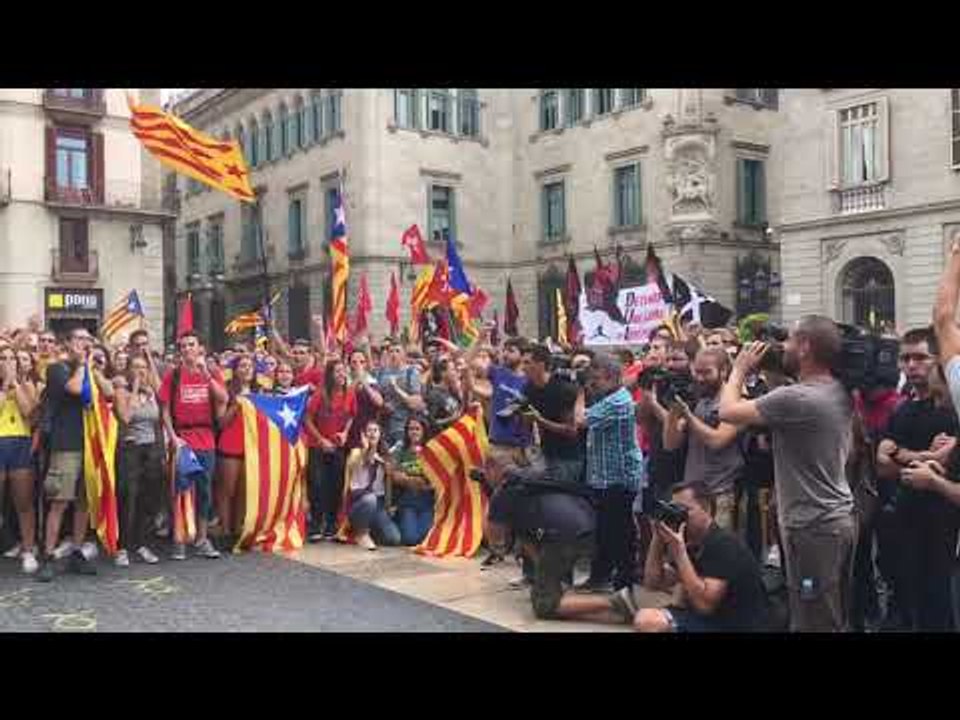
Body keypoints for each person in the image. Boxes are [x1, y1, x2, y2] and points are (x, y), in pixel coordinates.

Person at [719, 315, 856, 632]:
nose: (783, 347)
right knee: (826, 611)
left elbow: (727, 411)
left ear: (806, 347)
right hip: (832, 522)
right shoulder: (834, 389)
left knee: (814, 618)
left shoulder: (796, 399)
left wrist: (738, 369)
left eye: (789, 340)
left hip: (812, 529)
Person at [553, 484, 767, 632]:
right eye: (674, 510)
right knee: (566, 607)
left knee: (648, 621)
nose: (679, 516)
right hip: (704, 618)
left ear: (708, 510)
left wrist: (679, 550)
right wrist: (657, 537)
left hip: (731, 624)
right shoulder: (691, 542)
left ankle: (619, 605)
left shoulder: (723, 544)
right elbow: (653, 582)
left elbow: (705, 605)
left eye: (685, 510)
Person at [874, 328, 957, 630]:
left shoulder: (952, 413)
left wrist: (904, 455)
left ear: (939, 361)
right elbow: (884, 464)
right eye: (905, 358)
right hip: (906, 521)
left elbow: (946, 465)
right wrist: (922, 458)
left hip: (945, 526)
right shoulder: (902, 409)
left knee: (942, 605)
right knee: (913, 603)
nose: (911, 365)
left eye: (920, 357)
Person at [36, 326, 106, 581]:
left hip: (89, 444)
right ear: (68, 343)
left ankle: (76, 551)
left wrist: (94, 369)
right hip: (65, 444)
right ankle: (48, 555)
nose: (84, 344)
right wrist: (84, 364)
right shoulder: (57, 368)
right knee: (60, 501)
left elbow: (107, 393)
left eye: (87, 340)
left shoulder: (89, 369)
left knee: (83, 502)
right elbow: (75, 389)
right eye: (79, 339)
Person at [485, 463, 597, 621]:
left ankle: (615, 602)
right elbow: (528, 542)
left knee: (543, 606)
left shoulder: (504, 492)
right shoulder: (536, 480)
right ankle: (562, 590)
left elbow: (494, 537)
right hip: (589, 527)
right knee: (551, 578)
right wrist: (544, 574)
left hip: (564, 536)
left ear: (493, 469)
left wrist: (499, 547)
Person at [158, 331, 227, 560]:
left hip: (206, 437)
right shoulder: (173, 375)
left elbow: (223, 398)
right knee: (181, 489)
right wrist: (172, 437)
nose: (187, 349)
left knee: (205, 489)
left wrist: (206, 373)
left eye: (191, 345)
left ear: (200, 348)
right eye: (183, 346)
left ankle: (202, 538)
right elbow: (165, 410)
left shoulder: (211, 372)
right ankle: (180, 539)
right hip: (183, 439)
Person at [579, 352, 645, 593]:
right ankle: (602, 576)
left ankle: (624, 583)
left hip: (619, 479)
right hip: (607, 477)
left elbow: (580, 420)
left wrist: (578, 393)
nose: (591, 384)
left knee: (619, 534)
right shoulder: (608, 397)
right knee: (606, 531)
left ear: (610, 377)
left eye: (595, 379)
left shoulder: (617, 401)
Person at [663, 348, 744, 530]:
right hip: (691, 493)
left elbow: (717, 441)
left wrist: (688, 416)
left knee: (718, 551)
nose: (699, 378)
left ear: (723, 371)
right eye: (696, 372)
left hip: (721, 492)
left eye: (706, 372)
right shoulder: (700, 401)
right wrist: (672, 413)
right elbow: (670, 444)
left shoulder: (736, 403)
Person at [112, 353, 162, 567]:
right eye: (136, 367)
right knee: (127, 497)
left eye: (143, 367)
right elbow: (126, 416)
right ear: (129, 370)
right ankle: (122, 546)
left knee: (147, 497)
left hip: (150, 450)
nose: (140, 371)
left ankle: (142, 543)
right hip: (130, 449)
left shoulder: (151, 393)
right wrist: (134, 388)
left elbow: (157, 420)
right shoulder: (122, 391)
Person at [304, 358, 355, 541]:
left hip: (338, 446)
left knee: (336, 484)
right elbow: (307, 419)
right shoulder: (319, 394)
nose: (342, 375)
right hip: (317, 445)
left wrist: (345, 433)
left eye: (344, 371)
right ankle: (316, 524)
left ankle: (332, 524)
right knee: (317, 484)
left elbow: (351, 416)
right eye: (338, 371)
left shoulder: (350, 392)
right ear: (330, 375)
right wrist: (320, 439)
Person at [0, 344, 39, 573]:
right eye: (3, 358)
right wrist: (6, 385)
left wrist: (16, 383)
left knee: (23, 502)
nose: (7, 362)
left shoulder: (27, 385)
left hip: (20, 443)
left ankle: (27, 549)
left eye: (11, 358)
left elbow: (30, 414)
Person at [215, 355, 258, 548]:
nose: (246, 369)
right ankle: (224, 530)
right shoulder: (226, 390)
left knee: (244, 491)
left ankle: (238, 529)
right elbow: (221, 422)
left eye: (250, 366)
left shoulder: (260, 390)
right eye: (242, 366)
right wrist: (236, 404)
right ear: (235, 369)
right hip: (230, 445)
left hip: (251, 446)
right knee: (227, 490)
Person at [343, 420, 401, 550]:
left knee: (393, 538)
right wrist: (368, 447)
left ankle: (371, 528)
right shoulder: (356, 452)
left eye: (376, 430)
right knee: (370, 499)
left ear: (380, 434)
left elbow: (389, 480)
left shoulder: (385, 456)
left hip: (378, 503)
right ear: (363, 434)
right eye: (369, 430)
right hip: (359, 501)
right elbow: (358, 461)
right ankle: (361, 532)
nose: (372, 433)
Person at [387, 415, 433, 546]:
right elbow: (394, 475)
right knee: (410, 539)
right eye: (410, 429)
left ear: (424, 431)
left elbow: (436, 478)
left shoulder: (432, 449)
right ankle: (399, 520)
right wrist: (411, 480)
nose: (414, 432)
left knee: (425, 538)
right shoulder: (400, 449)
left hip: (427, 502)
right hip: (407, 501)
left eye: (417, 429)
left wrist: (409, 478)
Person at [376, 340, 425, 448]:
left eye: (397, 351)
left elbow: (416, 403)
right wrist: (384, 405)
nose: (394, 354)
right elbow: (377, 398)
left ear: (404, 354)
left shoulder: (411, 372)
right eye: (391, 351)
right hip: (385, 426)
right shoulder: (381, 373)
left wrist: (397, 388)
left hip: (404, 426)